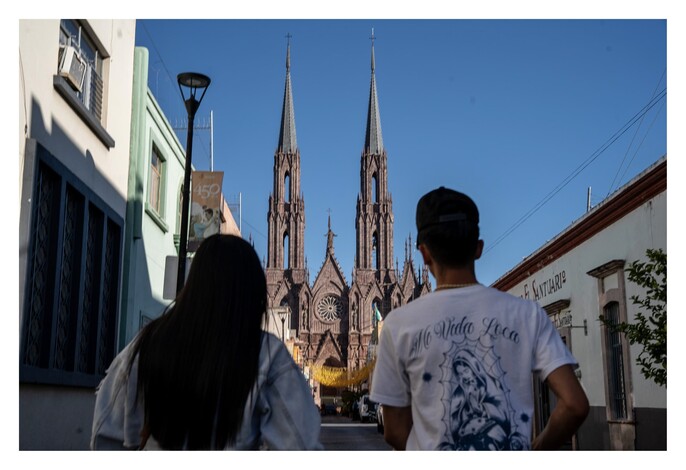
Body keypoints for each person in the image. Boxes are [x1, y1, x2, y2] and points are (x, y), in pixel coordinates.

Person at [369, 187, 589, 450]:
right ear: (478, 248)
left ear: (424, 253)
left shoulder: (397, 326)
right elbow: (575, 404)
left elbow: (393, 431)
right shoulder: (528, 315)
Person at [90, 234, 322, 450]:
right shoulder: (264, 354)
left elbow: (106, 435)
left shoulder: (144, 346)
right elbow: (300, 444)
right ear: (254, 294)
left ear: (193, 284)